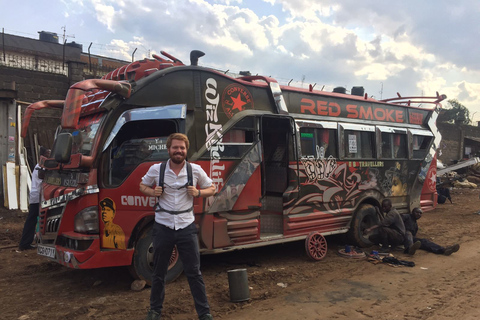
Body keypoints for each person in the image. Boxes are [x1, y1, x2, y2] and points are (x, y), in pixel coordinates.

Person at [139, 133, 216, 320]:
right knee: (158, 272)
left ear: (186, 150)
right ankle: (155, 310)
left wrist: (198, 192)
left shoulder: (195, 170)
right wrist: (152, 191)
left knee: (194, 272)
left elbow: (212, 188)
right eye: (175, 147)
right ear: (168, 150)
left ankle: (204, 313)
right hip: (163, 226)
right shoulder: (157, 169)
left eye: (182, 148)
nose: (179, 151)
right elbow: (142, 185)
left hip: (186, 226)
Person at [18, 146, 50, 251]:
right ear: (44, 155)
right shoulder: (41, 167)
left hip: (37, 197)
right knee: (32, 220)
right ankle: (25, 243)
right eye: (48, 154)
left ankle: (27, 242)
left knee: (34, 220)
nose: (50, 156)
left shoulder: (40, 166)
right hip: (38, 198)